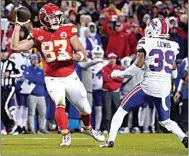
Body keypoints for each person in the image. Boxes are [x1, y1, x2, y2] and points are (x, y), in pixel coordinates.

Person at [11, 3, 104, 146]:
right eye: (53, 18)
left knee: (86, 108)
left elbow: (83, 54)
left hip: (70, 76)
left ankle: (88, 128)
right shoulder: (38, 34)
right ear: (44, 19)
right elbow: (15, 46)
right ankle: (65, 135)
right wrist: (17, 26)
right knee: (59, 102)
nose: (56, 20)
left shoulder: (67, 30)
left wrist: (71, 57)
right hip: (52, 78)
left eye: (57, 17)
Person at [100, 18, 188, 148]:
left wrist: (119, 74)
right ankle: (184, 138)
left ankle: (111, 140)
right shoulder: (173, 45)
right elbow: (174, 74)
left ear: (154, 29)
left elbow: (135, 69)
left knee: (121, 111)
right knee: (165, 120)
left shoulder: (146, 42)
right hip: (164, 88)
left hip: (148, 85)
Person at [1, 47, 22, 135]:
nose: (3, 54)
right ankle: (9, 127)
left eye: (4, 52)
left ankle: (13, 124)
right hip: (1, 88)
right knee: (1, 108)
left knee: (4, 106)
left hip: (9, 87)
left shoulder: (12, 63)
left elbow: (20, 73)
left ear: (8, 53)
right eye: (1, 52)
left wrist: (10, 75)